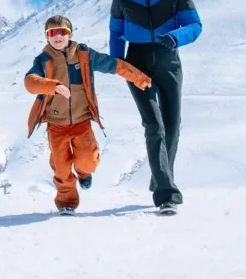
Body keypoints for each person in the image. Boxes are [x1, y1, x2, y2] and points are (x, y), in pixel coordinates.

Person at [109, 0, 202, 215]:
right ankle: (166, 194)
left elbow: (195, 25)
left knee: (172, 125)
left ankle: (160, 176)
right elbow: (115, 32)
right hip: (136, 63)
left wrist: (175, 38)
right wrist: (119, 64)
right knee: (154, 125)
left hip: (168, 59)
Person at [24, 15, 152, 215]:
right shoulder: (43, 60)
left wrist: (140, 79)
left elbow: (115, 65)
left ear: (70, 34)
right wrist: (53, 85)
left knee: (88, 160)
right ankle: (67, 202)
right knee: (61, 167)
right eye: (52, 33)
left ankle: (84, 173)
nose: (57, 36)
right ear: (47, 37)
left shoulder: (84, 55)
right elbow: (30, 82)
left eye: (62, 32)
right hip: (56, 124)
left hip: (82, 121)